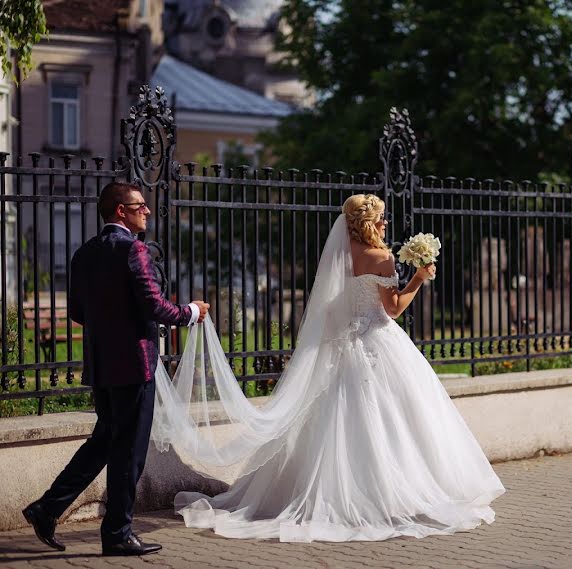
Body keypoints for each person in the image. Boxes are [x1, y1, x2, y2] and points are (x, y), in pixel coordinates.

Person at [151, 193, 504, 542]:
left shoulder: (340, 255)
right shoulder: (381, 257)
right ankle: (385, 495)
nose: (386, 222)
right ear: (369, 222)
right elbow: (393, 309)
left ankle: (311, 492)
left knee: (333, 421)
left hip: (340, 348)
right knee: (389, 422)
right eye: (382, 217)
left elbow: (333, 305)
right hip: (376, 343)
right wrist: (419, 278)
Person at [22, 182, 209, 556]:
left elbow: (78, 312)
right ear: (120, 211)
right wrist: (190, 312)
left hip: (102, 364)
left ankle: (47, 508)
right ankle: (118, 534)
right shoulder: (133, 250)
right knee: (128, 452)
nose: (148, 211)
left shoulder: (84, 253)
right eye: (141, 205)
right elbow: (153, 305)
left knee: (104, 442)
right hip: (134, 366)